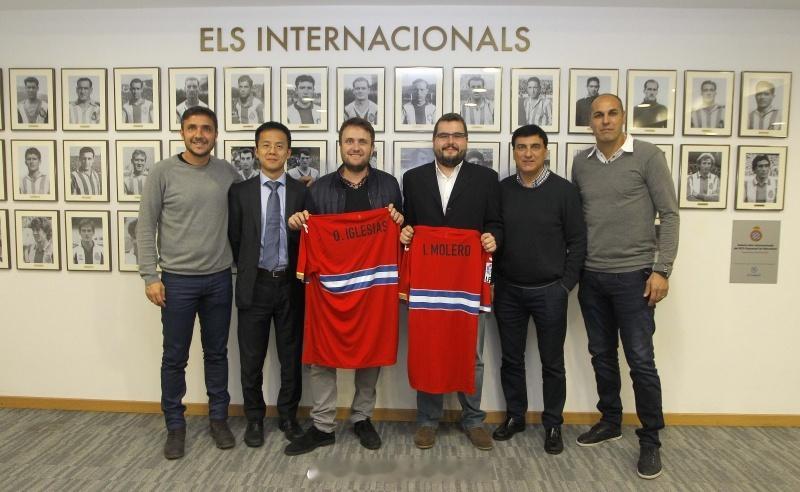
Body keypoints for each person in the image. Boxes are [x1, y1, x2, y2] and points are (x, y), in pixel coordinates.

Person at [571, 94, 679, 480]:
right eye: (598, 115)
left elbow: (669, 214)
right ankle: (610, 421)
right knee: (601, 354)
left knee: (640, 360)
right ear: (590, 122)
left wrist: (662, 269)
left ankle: (650, 440)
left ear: (623, 118)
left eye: (612, 113)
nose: (605, 121)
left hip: (635, 277)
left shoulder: (648, 156)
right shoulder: (581, 163)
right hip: (592, 276)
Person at [284, 117, 403, 456]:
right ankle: (323, 426)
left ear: (372, 147)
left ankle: (362, 418)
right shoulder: (318, 189)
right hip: (329, 289)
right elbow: (307, 237)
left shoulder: (389, 186)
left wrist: (399, 221)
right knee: (322, 355)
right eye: (349, 141)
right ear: (340, 146)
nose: (355, 147)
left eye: (362, 141)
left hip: (372, 287)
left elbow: (402, 233)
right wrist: (298, 223)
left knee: (371, 352)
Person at [137, 106, 242, 460]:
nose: (199, 134)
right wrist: (150, 276)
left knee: (217, 354)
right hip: (177, 282)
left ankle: (218, 420)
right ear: (182, 132)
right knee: (174, 358)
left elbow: (250, 204)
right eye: (192, 128)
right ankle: (175, 426)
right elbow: (145, 226)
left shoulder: (227, 173)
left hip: (218, 279)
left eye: (206, 129)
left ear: (216, 134)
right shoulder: (162, 172)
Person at [400, 113, 502, 451]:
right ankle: (427, 421)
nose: (450, 142)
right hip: (428, 283)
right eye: (444, 135)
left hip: (467, 282)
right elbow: (409, 224)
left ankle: (473, 420)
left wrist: (493, 238)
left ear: (466, 141)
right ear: (434, 141)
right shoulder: (413, 179)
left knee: (472, 353)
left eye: (457, 135)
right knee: (429, 347)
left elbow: (495, 223)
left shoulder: (486, 179)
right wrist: (406, 232)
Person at [493, 124, 586, 455]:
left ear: (546, 151)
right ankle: (515, 417)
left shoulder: (564, 191)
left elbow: (578, 242)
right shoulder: (502, 190)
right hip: (509, 292)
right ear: (514, 152)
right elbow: (493, 235)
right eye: (521, 147)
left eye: (534, 147)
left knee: (552, 363)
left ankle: (553, 424)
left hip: (550, 291)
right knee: (511, 360)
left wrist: (565, 285)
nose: (528, 153)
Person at [228, 121, 308, 448]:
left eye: (279, 146)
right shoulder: (240, 192)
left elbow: (308, 241)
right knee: (251, 358)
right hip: (255, 284)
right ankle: (254, 418)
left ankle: (288, 416)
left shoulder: (303, 192)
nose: (272, 151)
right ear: (256, 151)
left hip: (290, 285)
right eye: (266, 145)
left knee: (291, 356)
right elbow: (236, 239)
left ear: (288, 153)